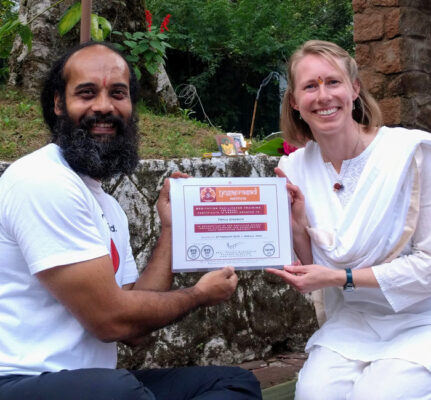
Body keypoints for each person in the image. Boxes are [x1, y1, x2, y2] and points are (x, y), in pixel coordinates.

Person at [0, 41, 262, 400]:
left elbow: (134, 327)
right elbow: (111, 320)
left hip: (90, 384)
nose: (104, 107)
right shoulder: (40, 179)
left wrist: (170, 228)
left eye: (118, 94)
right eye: (87, 93)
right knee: (122, 391)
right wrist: (198, 295)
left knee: (233, 383)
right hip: (19, 382)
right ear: (59, 103)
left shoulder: (106, 204)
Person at [266, 40, 431, 399]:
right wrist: (295, 226)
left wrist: (345, 277)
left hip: (421, 319)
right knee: (312, 394)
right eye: (310, 86)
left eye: (333, 82)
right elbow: (314, 271)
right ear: (294, 101)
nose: (323, 96)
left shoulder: (413, 153)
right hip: (352, 323)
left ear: (354, 89)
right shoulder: (292, 169)